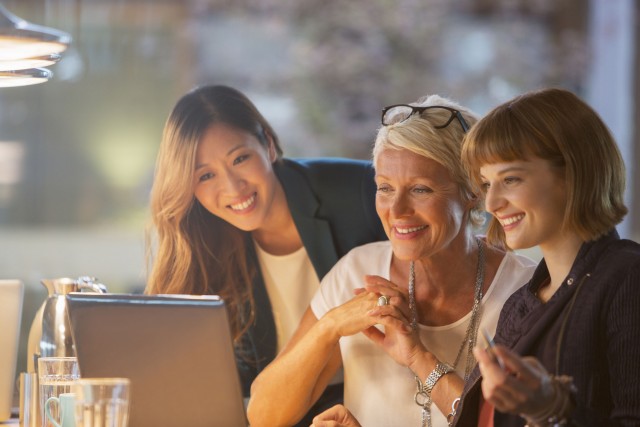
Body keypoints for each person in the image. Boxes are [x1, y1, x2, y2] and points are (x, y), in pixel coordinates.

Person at [247, 95, 537, 427]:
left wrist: (419, 358)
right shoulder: (355, 272)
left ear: (472, 191)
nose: (396, 211)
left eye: (421, 190)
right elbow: (263, 416)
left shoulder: (526, 291)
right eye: (385, 188)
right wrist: (330, 326)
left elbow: (507, 423)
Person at [144, 85, 387, 424]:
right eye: (206, 175)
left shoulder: (360, 191)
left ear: (268, 145)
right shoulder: (203, 250)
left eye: (240, 158)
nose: (232, 187)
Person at [451, 87, 640, 426]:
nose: (491, 204)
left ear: (572, 174)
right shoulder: (520, 303)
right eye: (486, 183)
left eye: (510, 179)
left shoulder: (628, 278)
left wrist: (552, 409)